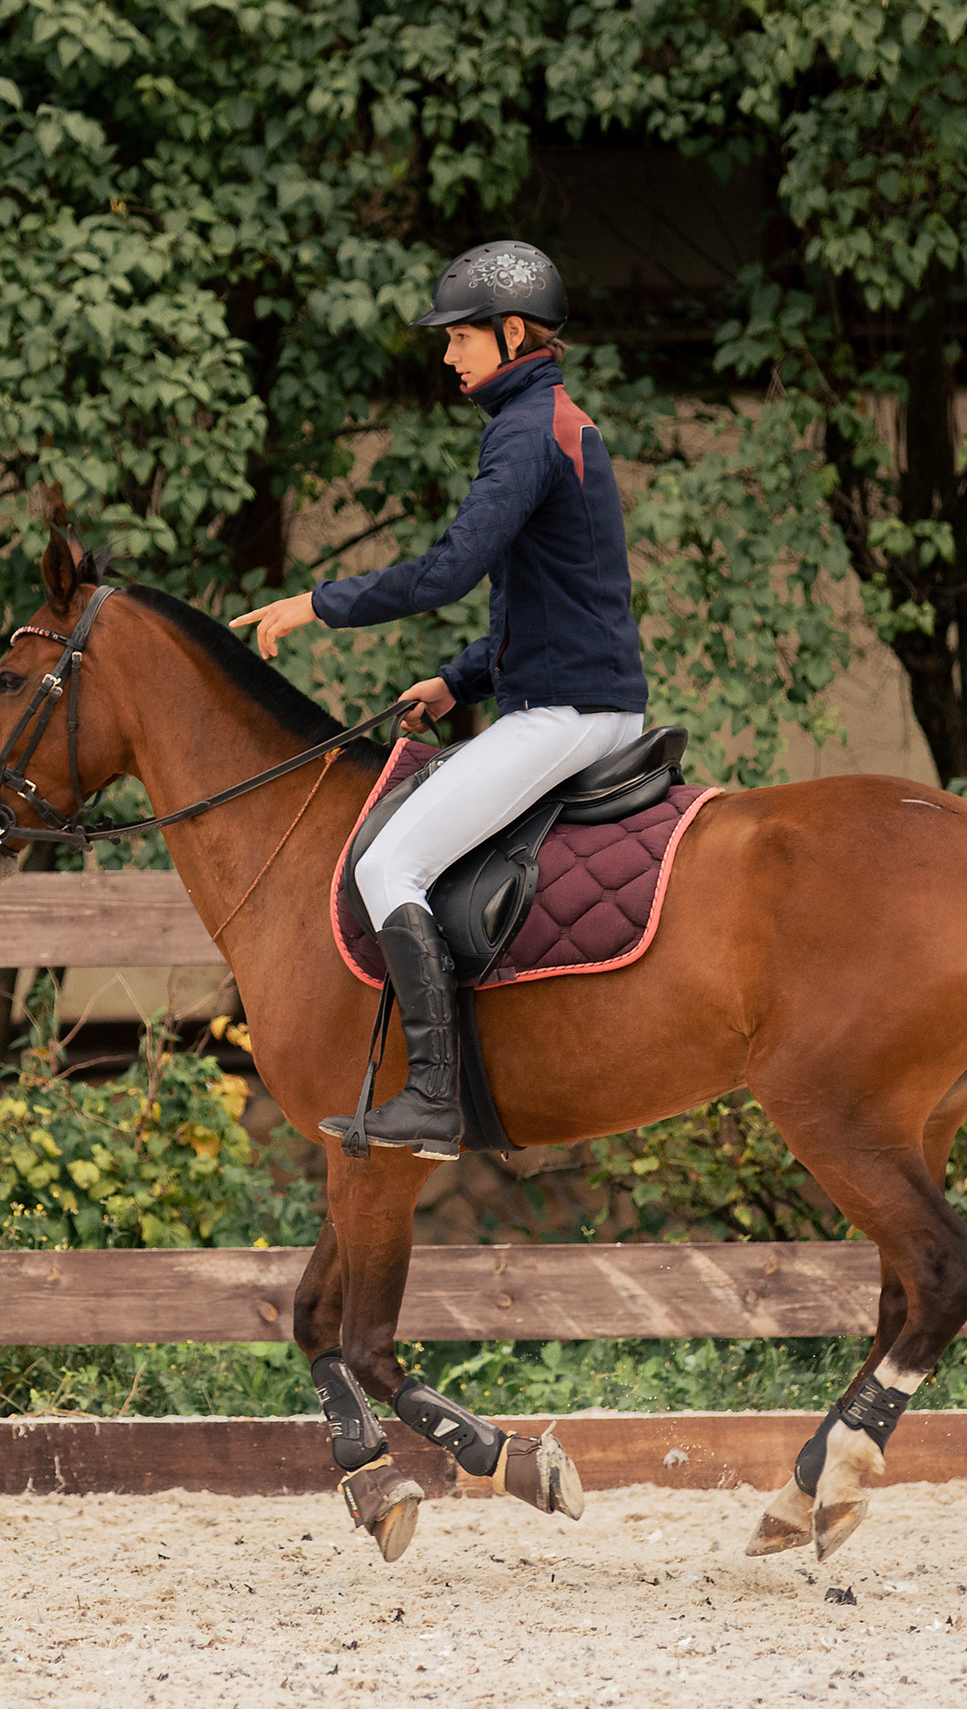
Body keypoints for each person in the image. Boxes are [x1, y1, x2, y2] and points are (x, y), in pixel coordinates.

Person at [232, 239, 647, 1160]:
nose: (447, 356)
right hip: (570, 698)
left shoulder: (527, 432)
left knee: (389, 866)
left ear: (510, 333)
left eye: (459, 339)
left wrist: (318, 603)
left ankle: (430, 1096)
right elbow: (546, 600)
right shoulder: (546, 421)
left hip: (565, 718)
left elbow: (450, 570)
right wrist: (458, 680)